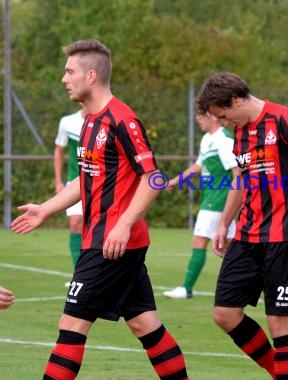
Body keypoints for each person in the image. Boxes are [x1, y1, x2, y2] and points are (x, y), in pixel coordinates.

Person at [11, 39, 188, 380]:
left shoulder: (123, 120)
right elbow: (86, 179)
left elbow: (153, 178)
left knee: (71, 324)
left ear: (91, 76)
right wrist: (45, 209)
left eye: (70, 71)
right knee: (144, 324)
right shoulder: (90, 122)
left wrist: (123, 224)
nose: (64, 78)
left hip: (111, 244)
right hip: (108, 240)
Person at [195, 72, 288, 379]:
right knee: (224, 314)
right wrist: (224, 223)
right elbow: (241, 179)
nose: (223, 122)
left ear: (237, 100)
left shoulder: (283, 119)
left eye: (224, 115)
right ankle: (281, 373)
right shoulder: (239, 131)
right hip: (246, 235)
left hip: (282, 238)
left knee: (279, 322)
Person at [163, 113, 238, 299]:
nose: (197, 119)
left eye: (201, 115)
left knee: (199, 240)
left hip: (217, 200)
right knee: (232, 248)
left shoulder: (224, 140)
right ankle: (254, 283)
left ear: (212, 116)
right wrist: (175, 181)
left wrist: (235, 200)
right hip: (212, 198)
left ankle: (186, 288)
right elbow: (198, 166)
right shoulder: (207, 139)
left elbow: (238, 173)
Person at [54, 105, 86, 270]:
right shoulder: (68, 122)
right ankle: (78, 272)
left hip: (101, 183)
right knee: (75, 222)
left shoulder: (107, 122)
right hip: (75, 182)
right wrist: (58, 180)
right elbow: (59, 151)